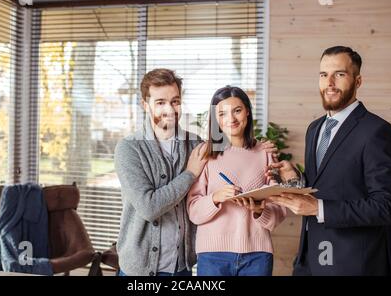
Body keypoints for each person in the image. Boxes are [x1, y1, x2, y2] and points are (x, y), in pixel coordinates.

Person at [114, 69, 279, 276]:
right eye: (160, 102)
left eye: (175, 101)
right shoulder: (129, 148)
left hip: (181, 267)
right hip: (141, 269)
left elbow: (231, 149)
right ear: (145, 105)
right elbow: (148, 207)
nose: (169, 109)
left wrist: (260, 147)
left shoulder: (197, 146)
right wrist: (189, 174)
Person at [268, 46, 391, 275]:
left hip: (354, 265)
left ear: (358, 81)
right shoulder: (315, 128)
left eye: (339, 74)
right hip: (310, 260)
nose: (329, 82)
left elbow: (387, 206)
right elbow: (326, 184)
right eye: (323, 75)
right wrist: (296, 179)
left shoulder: (378, 131)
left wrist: (318, 208)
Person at [186, 86, 287, 276]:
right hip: (212, 256)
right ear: (215, 119)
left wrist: (260, 211)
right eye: (222, 113)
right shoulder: (204, 153)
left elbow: (279, 210)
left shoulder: (265, 153)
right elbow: (193, 211)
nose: (231, 119)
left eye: (237, 111)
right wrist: (215, 198)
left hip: (257, 255)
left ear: (247, 112)